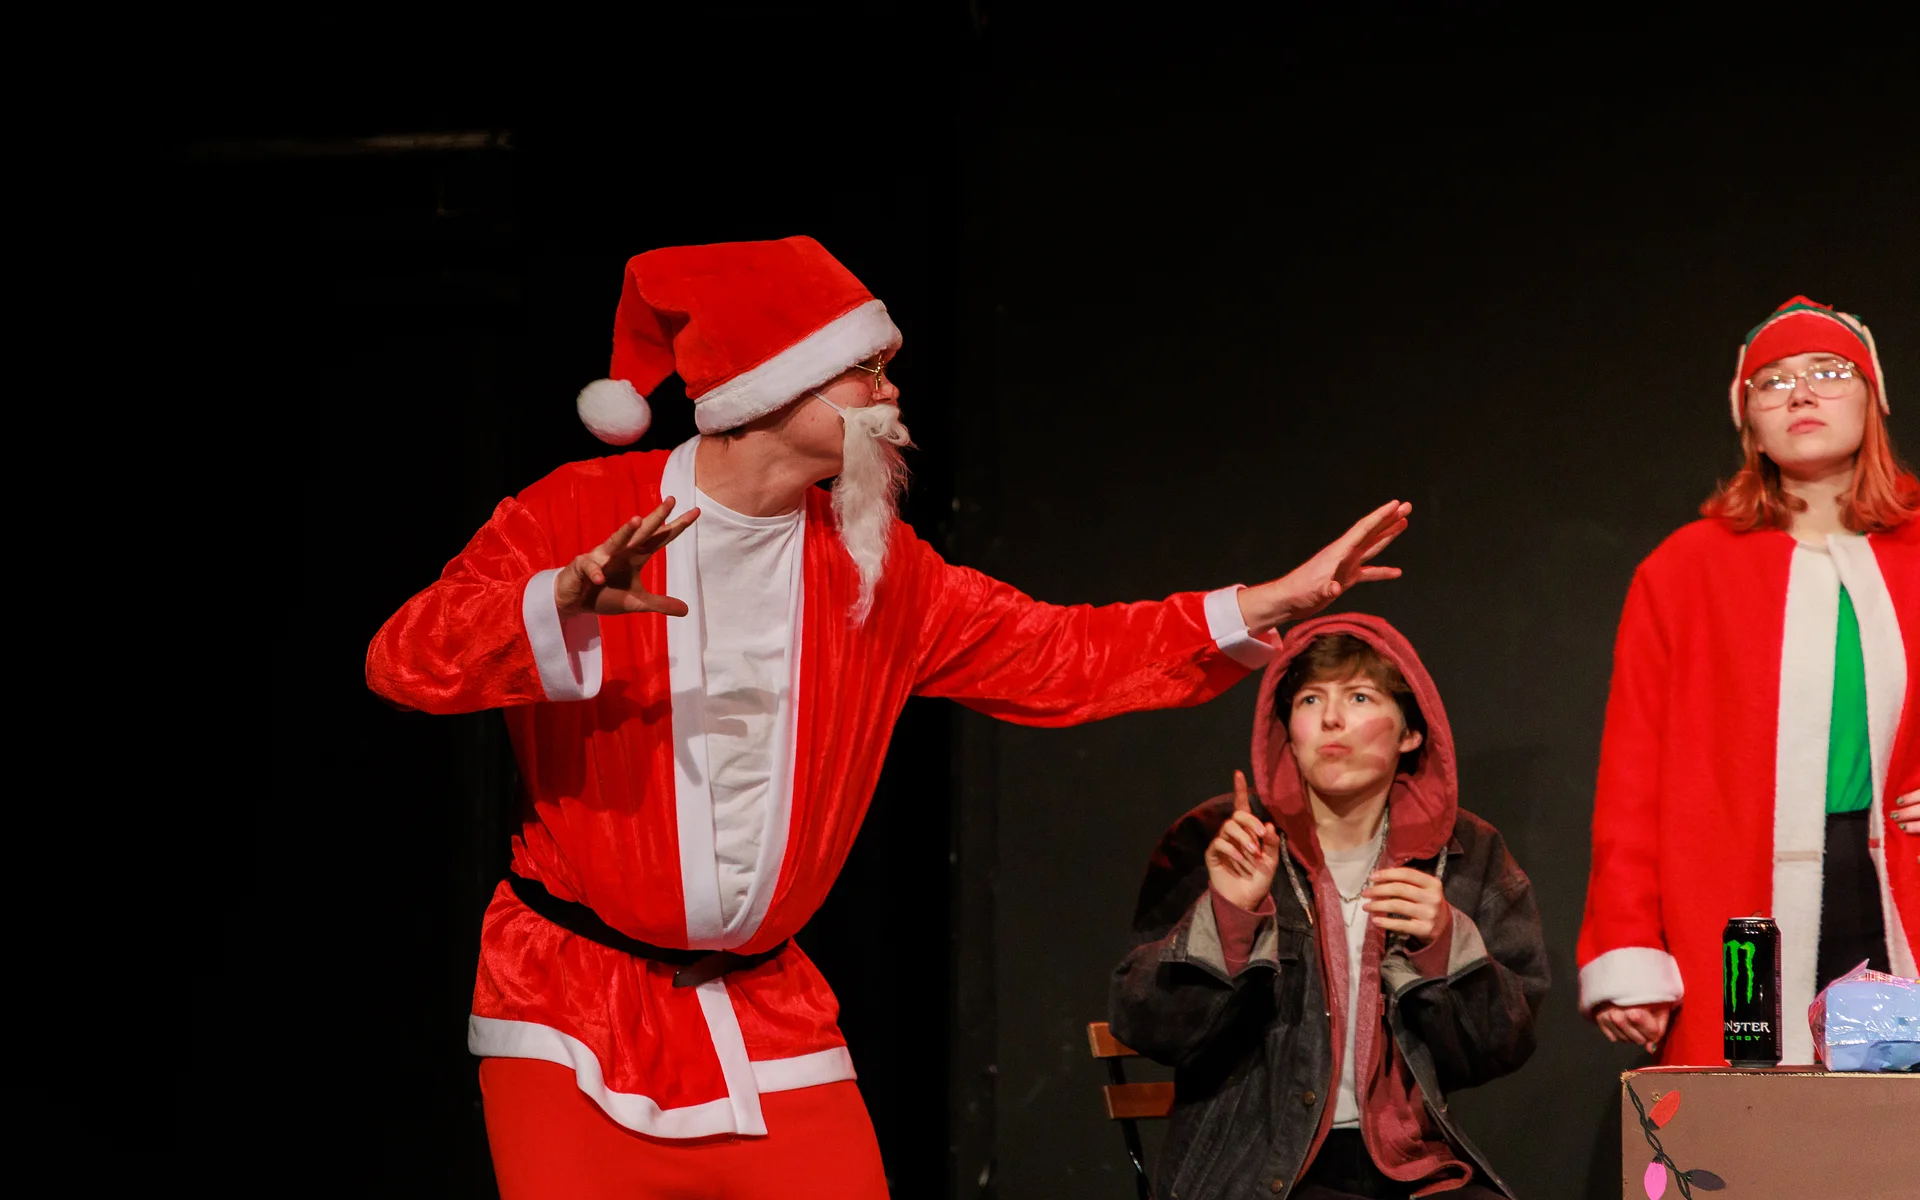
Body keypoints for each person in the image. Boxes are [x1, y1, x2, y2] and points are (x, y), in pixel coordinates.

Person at [365, 235, 1413, 1198]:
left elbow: (1060, 653)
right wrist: (557, 600)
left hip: (766, 1016)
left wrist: (1267, 603)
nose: (890, 392)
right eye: (865, 370)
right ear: (773, 384)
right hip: (570, 1009)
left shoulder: (873, 563)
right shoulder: (579, 511)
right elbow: (403, 660)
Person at [1577, 296, 1919, 1066]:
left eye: (1828, 372)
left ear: (1873, 399)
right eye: (1773, 382)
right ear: (1748, 422)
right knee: (1755, 1114)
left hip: (1900, 894)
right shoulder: (1682, 571)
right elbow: (1630, 778)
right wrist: (1627, 942)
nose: (1801, 394)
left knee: (1897, 1128)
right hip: (1738, 908)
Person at [1110, 617, 1548, 1200]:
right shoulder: (1222, 839)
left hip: (1411, 1165)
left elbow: (1504, 1045)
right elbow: (1145, 1025)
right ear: (1288, 730)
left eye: (1360, 697)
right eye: (1311, 700)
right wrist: (1229, 916)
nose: (1331, 719)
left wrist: (1446, 945)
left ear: (1410, 734)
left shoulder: (1466, 853)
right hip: (1256, 1172)